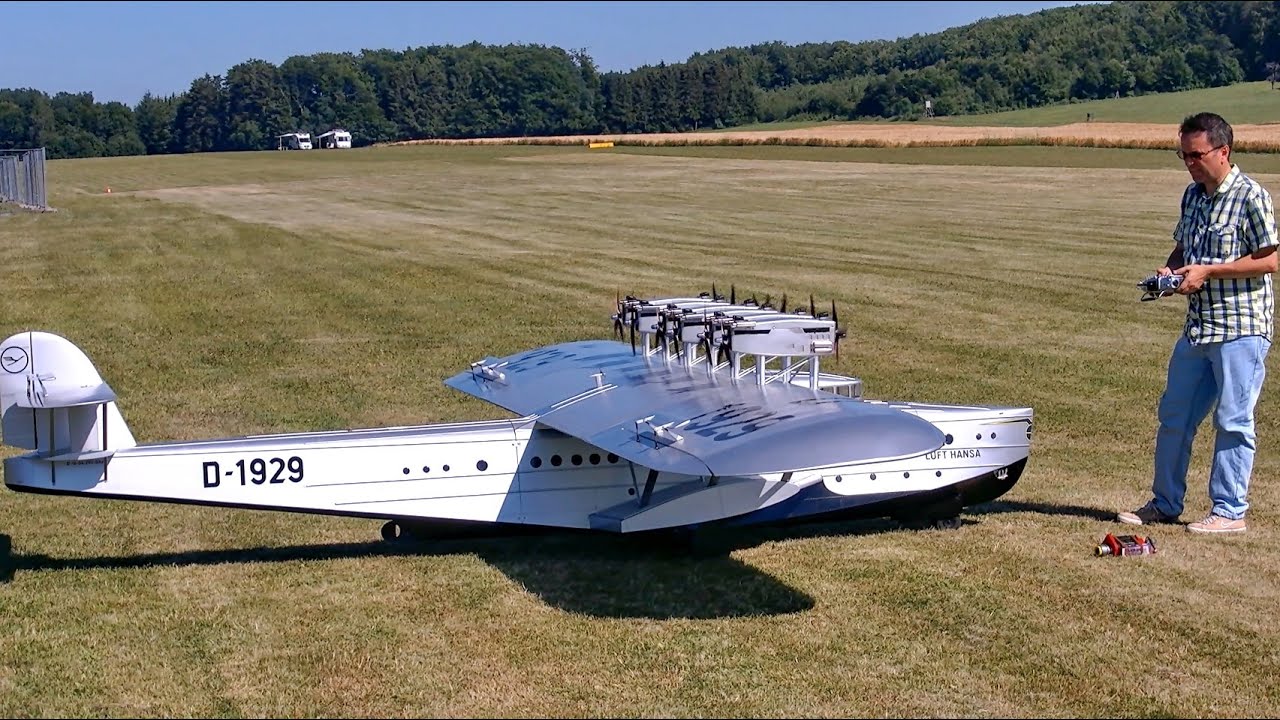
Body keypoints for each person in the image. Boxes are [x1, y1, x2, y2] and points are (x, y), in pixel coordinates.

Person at [1118, 112, 1279, 534]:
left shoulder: (1251, 197)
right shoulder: (1192, 196)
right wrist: (1170, 272)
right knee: (1175, 416)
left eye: (1196, 154)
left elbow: (1271, 259)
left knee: (1233, 419)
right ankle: (1165, 502)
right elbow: (1181, 247)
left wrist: (1208, 271)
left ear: (1223, 151)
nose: (1189, 162)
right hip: (1199, 328)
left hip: (1241, 327)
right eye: (1183, 155)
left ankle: (1229, 511)